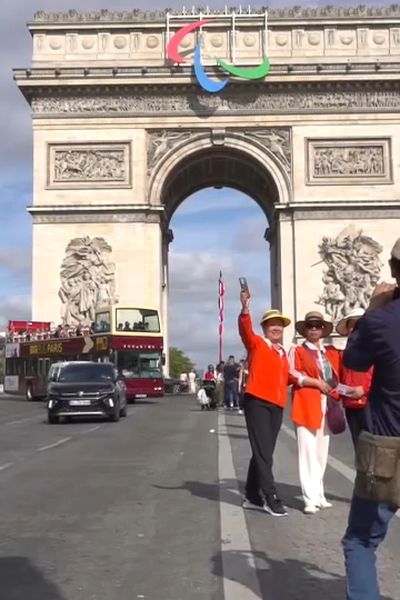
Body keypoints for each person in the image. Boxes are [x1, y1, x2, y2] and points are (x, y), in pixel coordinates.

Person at [342, 238, 400, 600]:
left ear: (394, 270)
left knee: (361, 541)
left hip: (387, 447)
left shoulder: (381, 321)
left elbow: (354, 362)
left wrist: (370, 311)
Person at [239, 291, 298, 517]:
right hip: (257, 402)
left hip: (276, 404)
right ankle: (270, 496)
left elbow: (290, 377)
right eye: (272, 324)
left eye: (280, 325)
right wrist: (245, 307)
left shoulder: (282, 352)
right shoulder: (257, 344)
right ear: (264, 327)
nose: (276, 328)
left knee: (264, 451)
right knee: (264, 453)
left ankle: (251, 494)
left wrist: (315, 382)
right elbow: (245, 330)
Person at [288, 311, 341, 514]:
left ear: (322, 329)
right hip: (306, 403)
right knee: (307, 452)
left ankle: (319, 493)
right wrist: (315, 382)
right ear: (305, 329)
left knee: (321, 452)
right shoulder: (297, 350)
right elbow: (292, 372)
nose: (314, 329)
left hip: (327, 405)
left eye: (318, 325)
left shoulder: (329, 352)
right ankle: (309, 498)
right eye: (310, 326)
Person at [336, 308, 373, 449]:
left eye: (359, 324)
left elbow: (385, 374)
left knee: (373, 448)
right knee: (358, 446)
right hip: (351, 405)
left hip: (370, 404)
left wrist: (364, 389)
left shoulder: (376, 349)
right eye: (352, 325)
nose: (355, 328)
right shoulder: (343, 353)